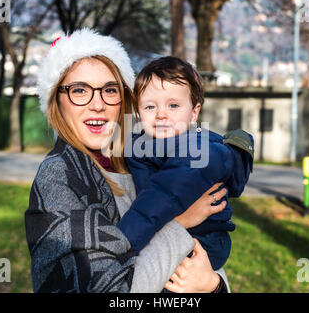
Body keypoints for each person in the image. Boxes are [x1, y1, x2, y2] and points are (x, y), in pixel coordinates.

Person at [24, 28, 231, 293]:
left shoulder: (142, 158)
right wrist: (178, 223)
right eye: (79, 90)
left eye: (110, 90)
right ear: (57, 101)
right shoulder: (59, 177)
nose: (97, 104)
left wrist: (214, 286)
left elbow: (208, 259)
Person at [118, 56, 254, 273]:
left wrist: (121, 244)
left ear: (194, 112)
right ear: (138, 111)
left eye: (173, 105)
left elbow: (161, 197)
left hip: (200, 243)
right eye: (150, 106)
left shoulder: (196, 153)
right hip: (173, 233)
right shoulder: (148, 142)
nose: (161, 114)